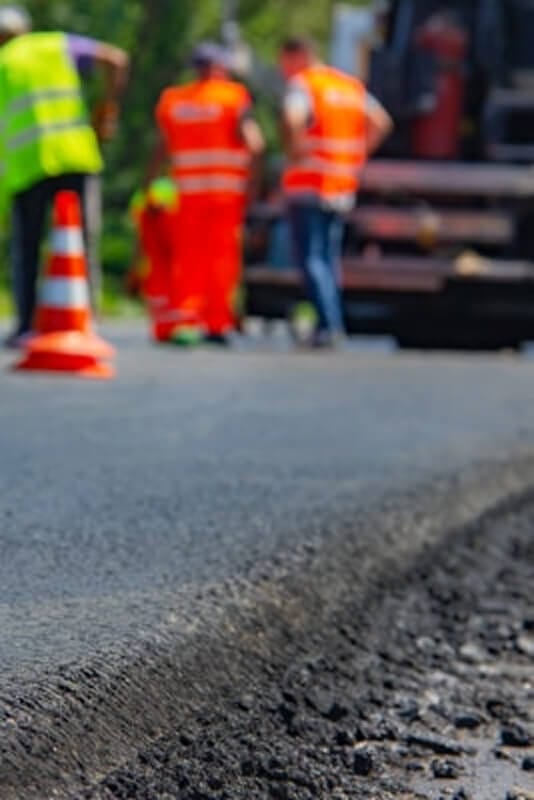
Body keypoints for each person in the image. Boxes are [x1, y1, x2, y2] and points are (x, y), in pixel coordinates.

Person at [0, 5, 129, 348]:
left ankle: (26, 326)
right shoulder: (57, 45)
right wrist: (108, 109)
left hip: (29, 165)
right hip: (75, 154)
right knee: (82, 242)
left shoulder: (3, 62)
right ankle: (85, 321)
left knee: (27, 248)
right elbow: (116, 59)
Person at [279, 36, 393, 347]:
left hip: (310, 184)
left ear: (297, 55)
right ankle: (332, 321)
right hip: (342, 184)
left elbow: (292, 118)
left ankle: (328, 325)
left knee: (311, 259)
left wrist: (293, 150)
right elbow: (381, 122)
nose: (282, 70)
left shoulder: (304, 84)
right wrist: (357, 155)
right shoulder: (348, 86)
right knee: (329, 258)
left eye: (283, 63)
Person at [148, 41, 265, 346]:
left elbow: (160, 148)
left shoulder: (174, 100)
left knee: (187, 260)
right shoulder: (232, 97)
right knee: (222, 261)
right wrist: (254, 187)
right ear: (220, 67)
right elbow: (256, 145)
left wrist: (148, 184)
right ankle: (217, 323)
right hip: (226, 198)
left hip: (187, 196)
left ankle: (185, 320)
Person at [127, 177, 180, 343]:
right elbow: (141, 238)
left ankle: (169, 328)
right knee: (162, 294)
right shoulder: (171, 190)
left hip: (166, 264)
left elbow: (140, 239)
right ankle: (167, 328)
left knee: (164, 293)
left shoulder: (173, 190)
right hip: (161, 265)